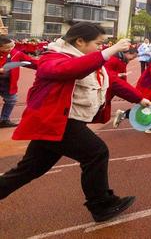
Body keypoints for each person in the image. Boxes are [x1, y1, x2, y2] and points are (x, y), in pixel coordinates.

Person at [0, 23, 136, 222]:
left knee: (29, 170)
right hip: (55, 121)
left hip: (58, 121)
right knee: (96, 152)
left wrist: (139, 98)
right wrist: (110, 51)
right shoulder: (53, 57)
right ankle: (101, 205)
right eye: (97, 44)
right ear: (80, 41)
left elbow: (112, 82)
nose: (100, 48)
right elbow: (69, 70)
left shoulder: (83, 60)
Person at [107, 48, 151, 128]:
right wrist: (117, 75)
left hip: (113, 87)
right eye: (132, 57)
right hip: (109, 87)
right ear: (127, 53)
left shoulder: (122, 60)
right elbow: (105, 72)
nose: (132, 59)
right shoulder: (113, 59)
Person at [0, 36, 38, 128]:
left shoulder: (15, 53)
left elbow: (31, 62)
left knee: (11, 100)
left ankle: (4, 120)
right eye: (7, 47)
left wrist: (47, 65)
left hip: (8, 84)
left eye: (11, 47)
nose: (10, 49)